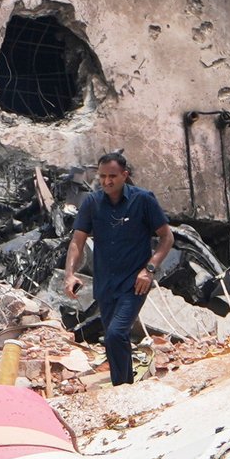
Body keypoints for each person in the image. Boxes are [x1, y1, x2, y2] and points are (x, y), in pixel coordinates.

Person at [63, 152, 175, 386]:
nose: (106, 182)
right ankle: (125, 386)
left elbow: (167, 237)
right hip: (105, 284)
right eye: (102, 176)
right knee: (116, 339)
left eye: (112, 176)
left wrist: (150, 269)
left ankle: (121, 387)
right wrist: (70, 274)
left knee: (115, 333)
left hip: (135, 282)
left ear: (125, 175)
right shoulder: (92, 203)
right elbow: (77, 241)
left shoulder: (143, 200)